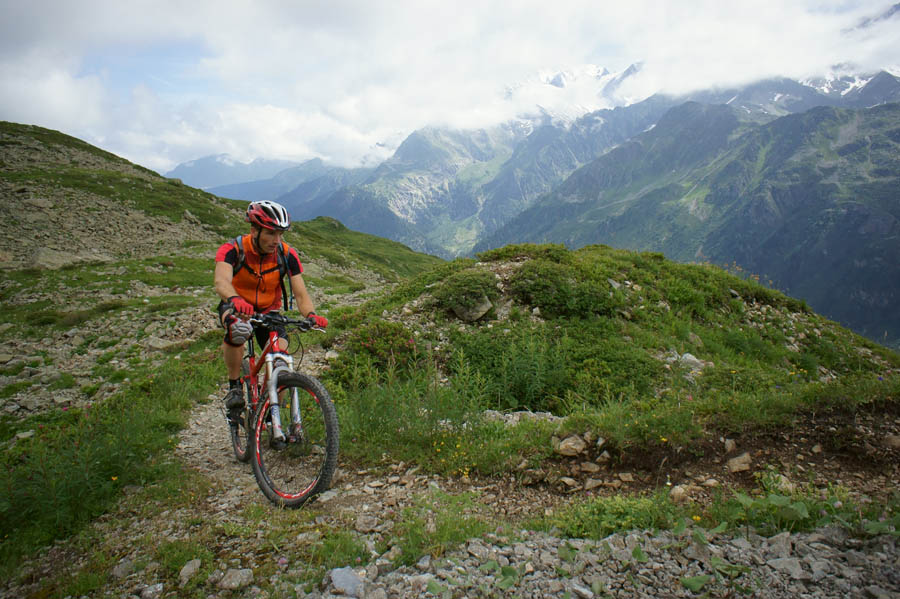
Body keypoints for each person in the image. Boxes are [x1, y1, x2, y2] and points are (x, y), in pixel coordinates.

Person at [214, 200, 328, 411]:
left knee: (281, 361)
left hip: (269, 312)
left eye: (280, 234)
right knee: (237, 330)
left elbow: (301, 294)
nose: (277, 240)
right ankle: (235, 386)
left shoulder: (286, 254)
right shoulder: (233, 249)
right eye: (270, 233)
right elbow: (221, 281)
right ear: (254, 230)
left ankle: (270, 414)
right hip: (237, 308)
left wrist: (311, 314)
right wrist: (236, 299)